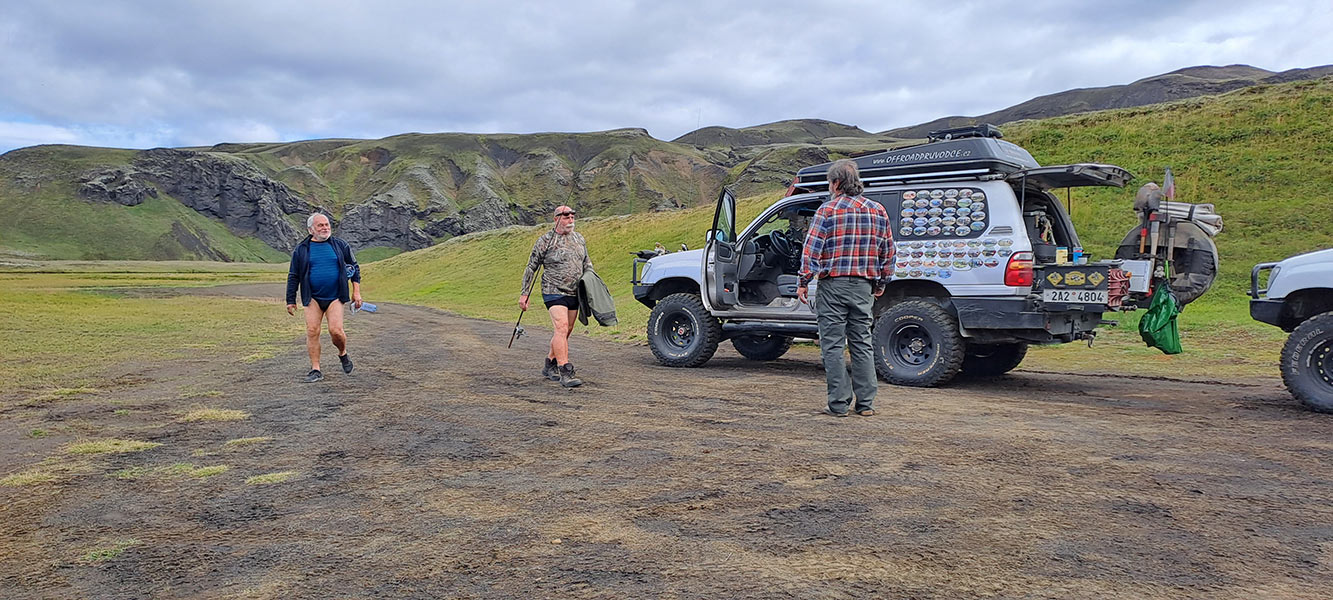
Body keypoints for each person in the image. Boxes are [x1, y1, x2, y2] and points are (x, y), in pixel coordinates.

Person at [797, 159, 895, 417]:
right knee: (862, 342)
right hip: (863, 286)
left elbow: (811, 250)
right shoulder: (877, 210)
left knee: (833, 345)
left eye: (830, 182)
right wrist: (882, 282)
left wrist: (803, 281)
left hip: (833, 285)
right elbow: (888, 251)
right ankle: (866, 404)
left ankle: (839, 404)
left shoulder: (827, 211)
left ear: (837, 183)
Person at [519, 205, 592, 387]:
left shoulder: (579, 239)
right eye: (566, 216)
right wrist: (525, 293)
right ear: (556, 219)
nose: (570, 219)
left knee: (567, 330)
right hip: (553, 290)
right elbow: (531, 267)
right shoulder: (545, 241)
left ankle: (550, 363)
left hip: (575, 292)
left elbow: (587, 263)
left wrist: (592, 285)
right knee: (561, 327)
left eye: (572, 216)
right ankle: (565, 370)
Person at [286, 213, 362, 383]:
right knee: (312, 331)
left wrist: (356, 292)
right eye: (320, 225)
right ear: (310, 229)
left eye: (327, 224)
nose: (325, 228)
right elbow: (293, 275)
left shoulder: (340, 245)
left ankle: (342, 353)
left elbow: (354, 268)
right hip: (312, 296)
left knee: (336, 331)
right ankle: (316, 369)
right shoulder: (301, 250)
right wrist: (290, 300)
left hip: (336, 296)